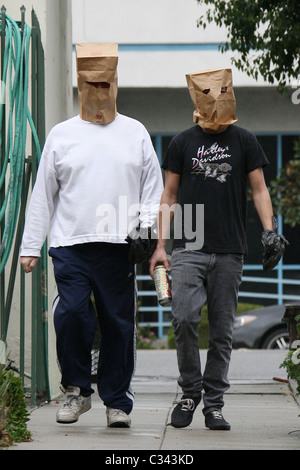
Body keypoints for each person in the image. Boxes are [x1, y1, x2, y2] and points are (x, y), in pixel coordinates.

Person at [19, 43, 163, 428]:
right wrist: (31, 245)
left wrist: (147, 234)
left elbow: (153, 189)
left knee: (118, 323)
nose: (99, 88)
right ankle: (76, 391)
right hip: (70, 244)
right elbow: (43, 194)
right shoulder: (62, 135)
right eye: (92, 82)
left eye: (106, 81)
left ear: (116, 84)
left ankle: (116, 401)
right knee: (72, 315)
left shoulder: (136, 132)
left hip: (119, 247)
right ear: (81, 85)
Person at [149, 68, 288, 431]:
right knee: (184, 319)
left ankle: (213, 404)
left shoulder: (244, 140)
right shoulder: (181, 142)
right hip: (189, 247)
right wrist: (160, 244)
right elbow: (170, 194)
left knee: (223, 330)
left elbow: (259, 189)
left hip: (230, 250)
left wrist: (270, 231)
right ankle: (189, 392)